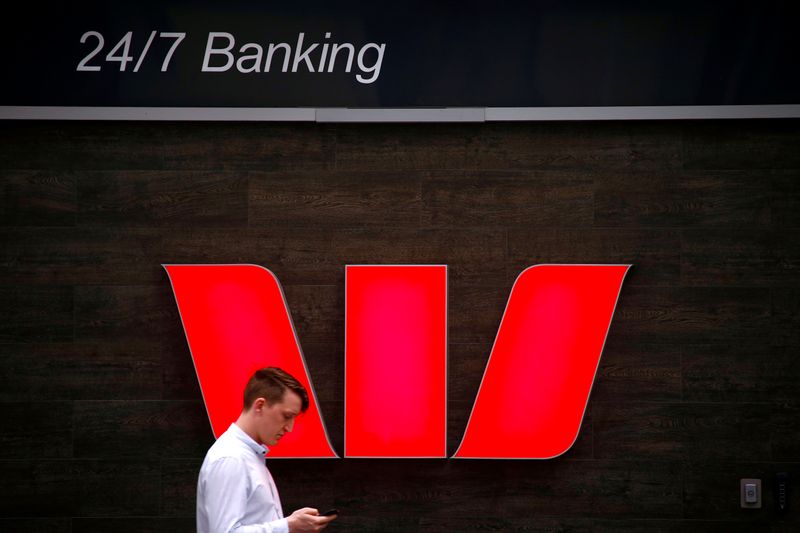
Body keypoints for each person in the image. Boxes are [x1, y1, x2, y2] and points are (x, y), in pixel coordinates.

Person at [197, 367, 337, 533]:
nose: (290, 428)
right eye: (286, 416)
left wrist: (290, 524)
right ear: (260, 405)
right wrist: (288, 526)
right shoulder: (231, 458)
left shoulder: (248, 456)